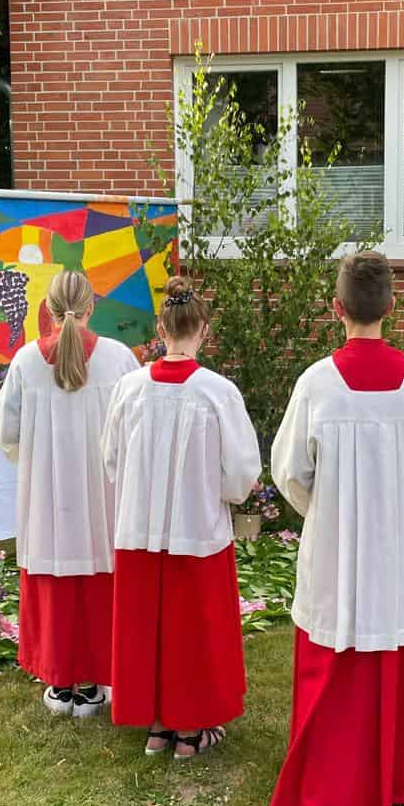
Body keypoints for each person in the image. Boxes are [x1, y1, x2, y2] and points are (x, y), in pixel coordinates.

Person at [267, 252, 404, 806]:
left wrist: (329, 512)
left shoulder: (317, 383)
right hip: (397, 552)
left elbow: (290, 472)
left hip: (337, 550)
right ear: (392, 306)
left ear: (336, 309)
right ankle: (392, 782)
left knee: (332, 672)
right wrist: (397, 513)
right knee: (388, 658)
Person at [100, 277, 259, 759]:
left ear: (160, 330)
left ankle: (156, 725)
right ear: (204, 330)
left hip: (139, 528)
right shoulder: (217, 392)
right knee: (192, 628)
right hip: (196, 529)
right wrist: (221, 495)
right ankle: (189, 730)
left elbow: (111, 459)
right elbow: (241, 471)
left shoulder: (129, 388)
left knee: (145, 626)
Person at [0, 269, 138, 717]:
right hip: (102, 496)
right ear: (92, 307)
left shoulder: (26, 361)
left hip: (48, 498)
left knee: (55, 580)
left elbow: (6, 430)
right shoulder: (118, 359)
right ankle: (93, 685)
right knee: (99, 582)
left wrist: (35, 455)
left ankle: (61, 685)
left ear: (48, 309)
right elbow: (136, 425)